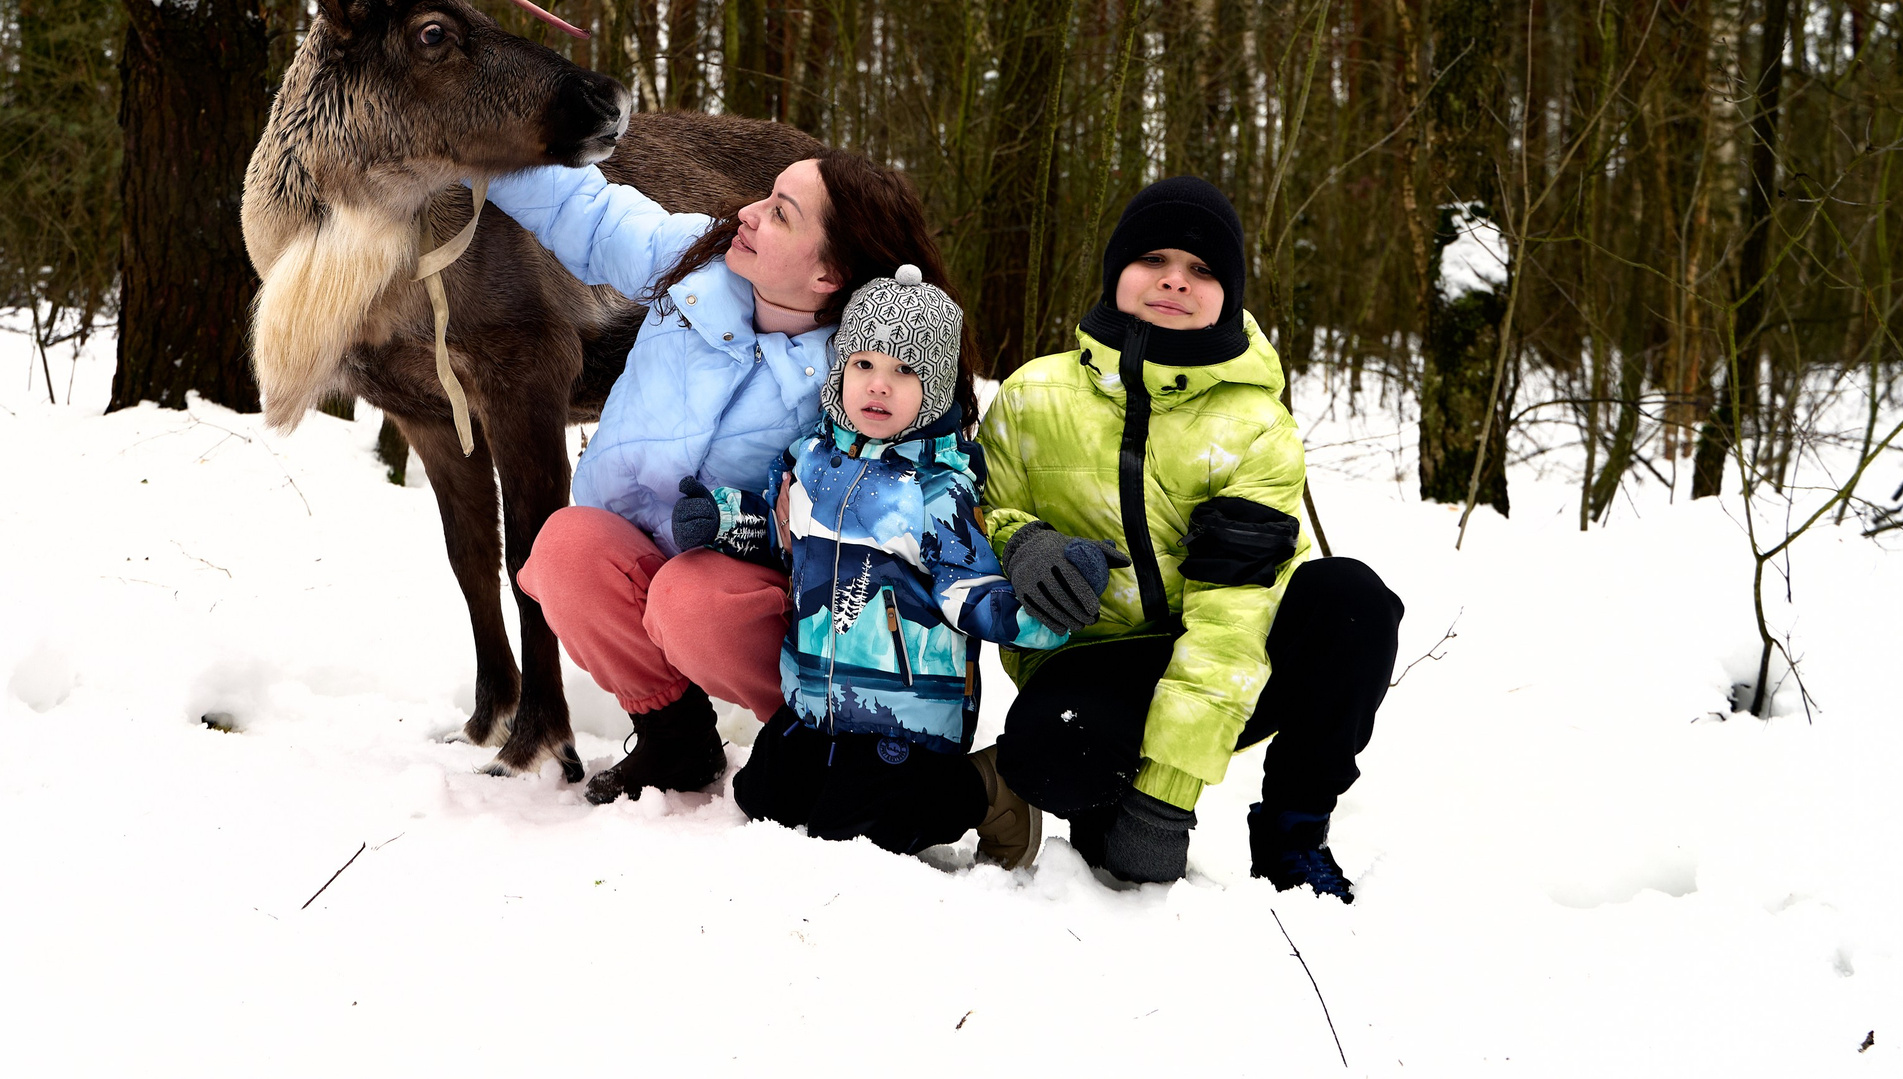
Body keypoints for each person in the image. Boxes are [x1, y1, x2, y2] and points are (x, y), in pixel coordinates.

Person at [489, 150, 966, 804]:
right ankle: (673, 737)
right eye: (767, 196)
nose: (746, 212)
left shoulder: (863, 383)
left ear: (829, 272)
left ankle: (824, 734)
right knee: (567, 550)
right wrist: (470, 143)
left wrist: (765, 519)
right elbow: (589, 214)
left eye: (779, 213)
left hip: (767, 595)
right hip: (643, 552)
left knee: (692, 602)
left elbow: (910, 511)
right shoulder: (693, 262)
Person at [981, 177, 1403, 899]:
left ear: (1228, 293)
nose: (1176, 279)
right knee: (1051, 758)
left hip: (1233, 652)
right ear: (1117, 271)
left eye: (1204, 269)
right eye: (1154, 257)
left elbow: (1231, 616)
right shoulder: (1029, 397)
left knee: (1350, 599)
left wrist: (1164, 799)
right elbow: (983, 513)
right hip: (1095, 657)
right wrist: (1024, 544)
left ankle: (1293, 831)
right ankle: (1099, 788)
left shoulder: (1255, 425)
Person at [671, 267, 1063, 867]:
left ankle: (987, 789)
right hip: (814, 702)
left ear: (933, 388)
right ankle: (830, 771)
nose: (879, 386)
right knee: (762, 798)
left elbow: (969, 590)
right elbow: (784, 541)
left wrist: (1046, 610)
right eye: (864, 364)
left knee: (858, 835)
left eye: (905, 370)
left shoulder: (937, 492)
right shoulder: (810, 465)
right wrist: (724, 519)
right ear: (841, 371)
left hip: (901, 717)